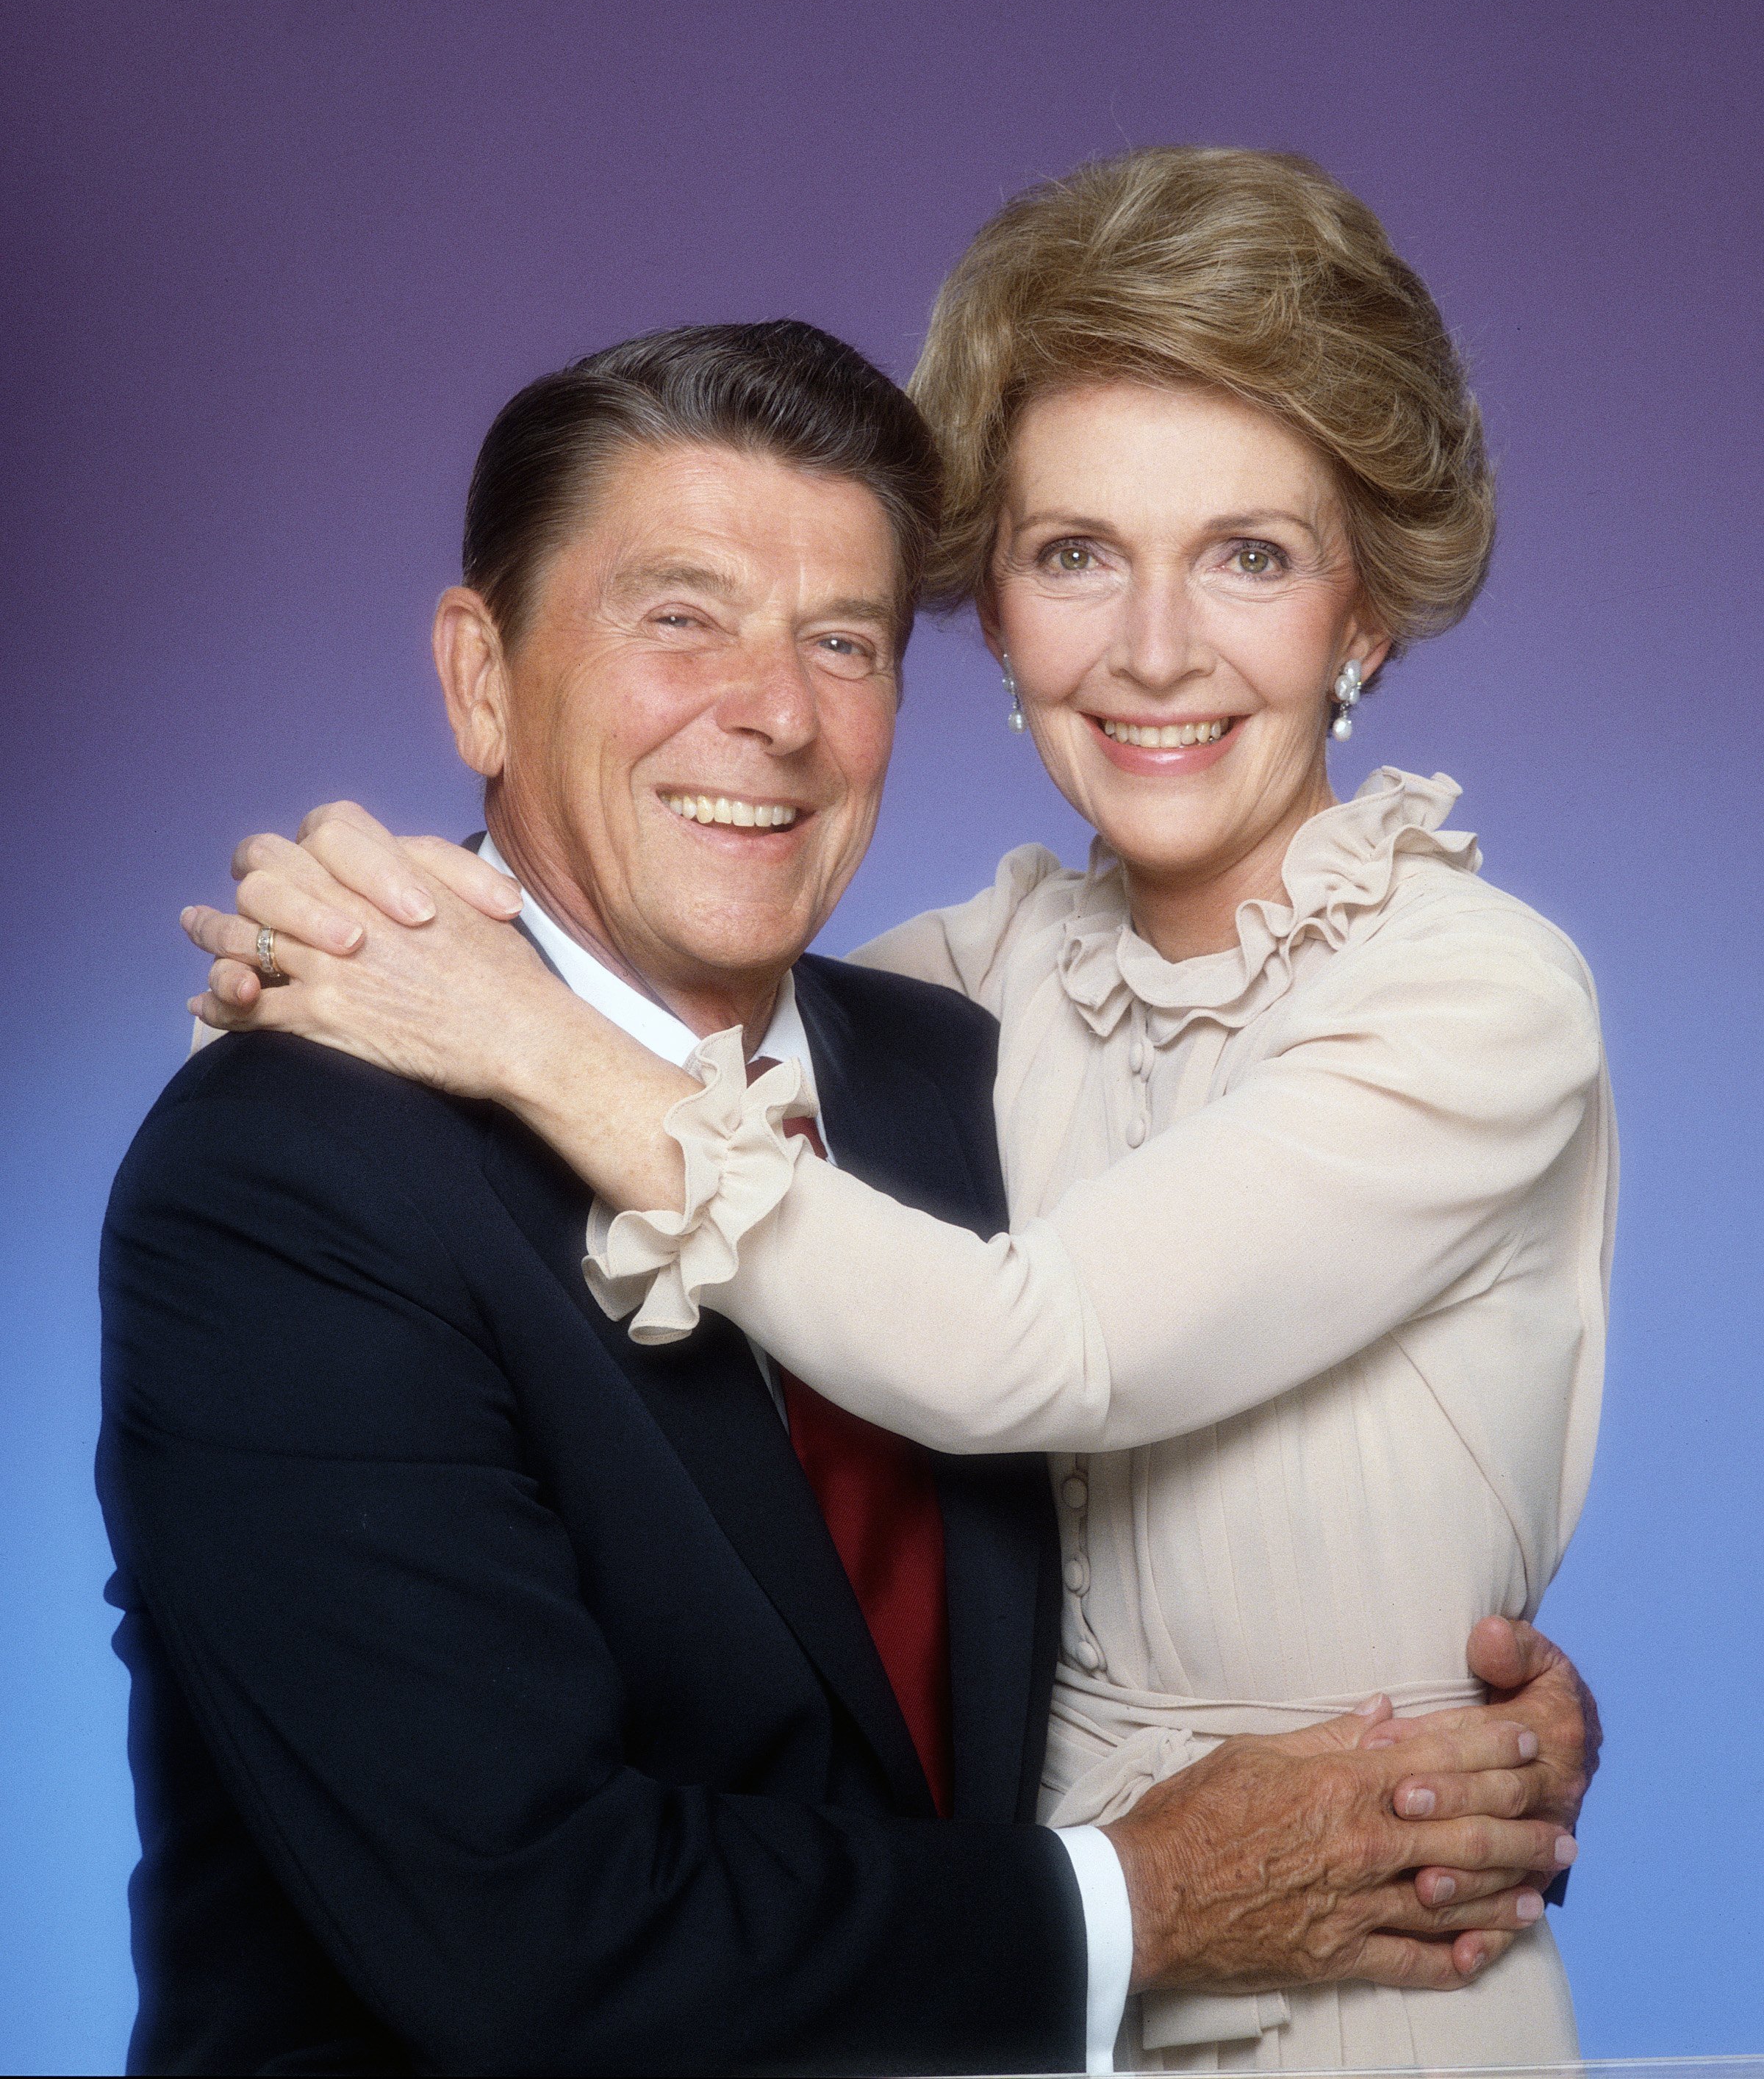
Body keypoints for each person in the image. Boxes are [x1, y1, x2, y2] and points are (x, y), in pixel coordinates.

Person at [167, 255, 1596, 2072]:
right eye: (679, 617)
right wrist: (325, 956)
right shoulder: (297, 1179)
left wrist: (1452, 1714)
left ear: (1365, 617)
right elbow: (515, 1926)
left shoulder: (929, 1067)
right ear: (482, 678)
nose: (772, 710)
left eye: (844, 637)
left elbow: (1057, 1382)